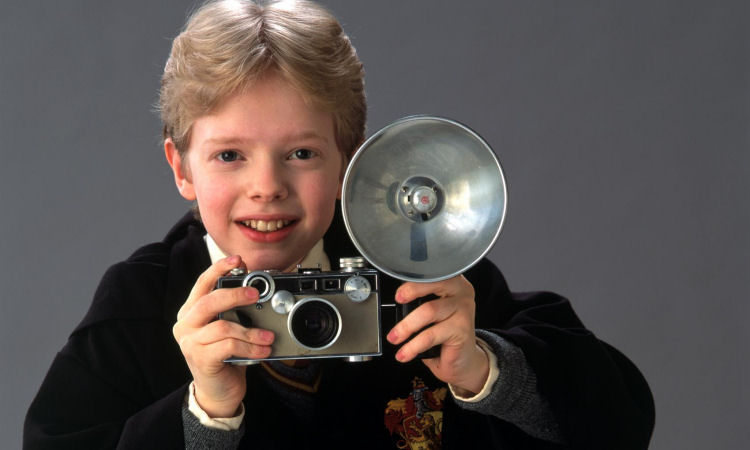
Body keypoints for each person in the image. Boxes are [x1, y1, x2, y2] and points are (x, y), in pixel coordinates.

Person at [24, 1, 654, 449]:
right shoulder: (139, 305)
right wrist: (205, 412)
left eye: (301, 152)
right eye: (229, 155)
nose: (267, 186)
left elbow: (620, 419)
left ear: (351, 164)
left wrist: (486, 370)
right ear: (181, 167)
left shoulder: (414, 269)